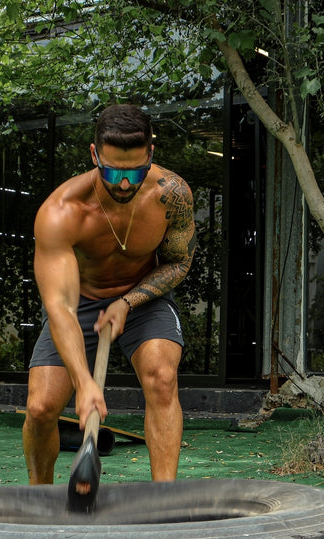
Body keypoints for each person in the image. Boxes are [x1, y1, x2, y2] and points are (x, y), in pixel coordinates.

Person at [22, 103, 195, 487]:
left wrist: (127, 302)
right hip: (79, 301)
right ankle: (40, 498)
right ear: (94, 155)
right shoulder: (61, 212)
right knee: (41, 407)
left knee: (162, 377)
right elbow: (60, 308)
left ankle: (163, 499)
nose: (125, 184)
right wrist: (84, 383)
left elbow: (179, 263)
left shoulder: (172, 195)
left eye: (136, 171)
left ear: (150, 154)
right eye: (114, 172)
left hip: (143, 296)